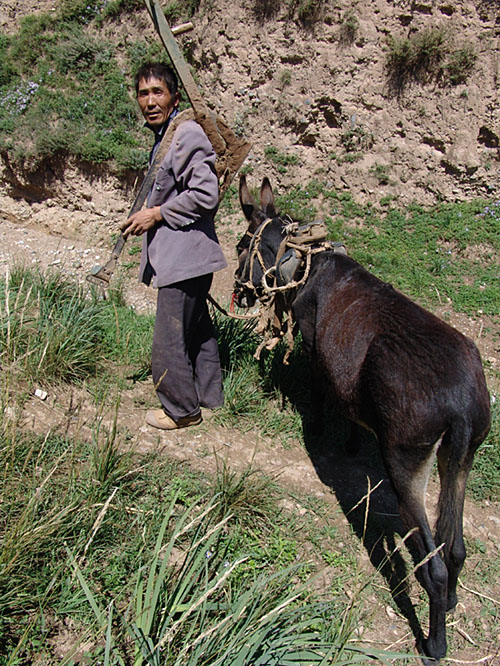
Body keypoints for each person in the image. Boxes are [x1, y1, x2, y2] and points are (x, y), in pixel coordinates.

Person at [121, 62, 226, 430]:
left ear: (174, 97)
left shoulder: (186, 134)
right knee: (196, 329)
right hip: (188, 257)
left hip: (185, 257)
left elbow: (205, 193)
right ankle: (209, 396)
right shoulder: (166, 135)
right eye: (143, 93)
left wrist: (156, 214)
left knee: (168, 339)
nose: (149, 101)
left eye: (158, 92)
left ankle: (181, 411)